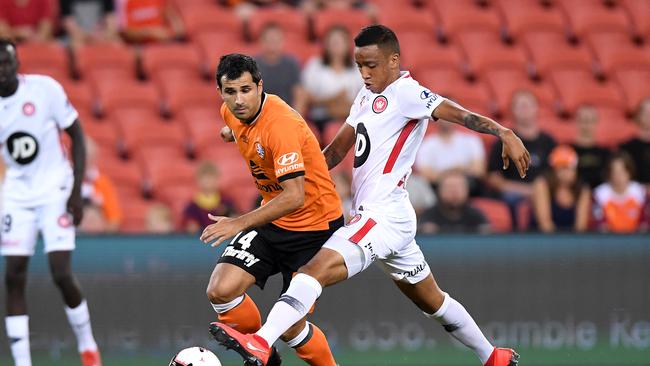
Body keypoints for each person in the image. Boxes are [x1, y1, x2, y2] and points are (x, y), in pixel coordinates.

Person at [209, 25, 529, 366]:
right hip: (385, 216)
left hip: (382, 214)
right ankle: (492, 355)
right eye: (359, 64)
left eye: (371, 65)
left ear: (394, 60)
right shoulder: (365, 97)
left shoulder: (407, 92)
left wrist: (502, 130)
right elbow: (330, 156)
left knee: (310, 273)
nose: (364, 73)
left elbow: (458, 113)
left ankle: (260, 342)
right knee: (432, 302)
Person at [200, 54, 345, 366]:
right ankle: (263, 352)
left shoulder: (280, 126)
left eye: (246, 90)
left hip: (314, 227)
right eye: (230, 92)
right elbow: (234, 125)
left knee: (291, 325)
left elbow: (294, 196)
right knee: (220, 290)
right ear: (220, 92)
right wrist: (231, 132)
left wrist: (238, 223)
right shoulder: (231, 113)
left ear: (259, 86)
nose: (239, 100)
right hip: (275, 220)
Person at [0, 39, 101, 366]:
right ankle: (22, 362)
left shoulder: (44, 90)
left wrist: (75, 189)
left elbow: (77, 134)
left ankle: (88, 345)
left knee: (60, 272)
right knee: (14, 275)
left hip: (55, 188)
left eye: (7, 63)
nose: (2, 71)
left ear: (17, 64)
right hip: (16, 193)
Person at [487, 90, 555, 228]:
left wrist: (540, 192)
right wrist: (531, 191)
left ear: (537, 109)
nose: (525, 110)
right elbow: (494, 179)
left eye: (528, 105)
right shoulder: (503, 141)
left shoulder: (549, 142)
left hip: (546, 192)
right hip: (514, 194)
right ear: (512, 111)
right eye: (520, 106)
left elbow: (557, 176)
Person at [299, 26, 363, 128]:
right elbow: (305, 95)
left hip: (351, 117)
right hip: (320, 118)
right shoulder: (315, 64)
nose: (336, 45)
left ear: (348, 45)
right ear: (326, 45)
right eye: (333, 42)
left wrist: (340, 103)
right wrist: (333, 99)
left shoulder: (358, 67)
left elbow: (365, 98)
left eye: (340, 41)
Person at [530, 145, 591, 233]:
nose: (568, 172)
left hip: (572, 241)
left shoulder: (582, 189)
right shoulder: (542, 185)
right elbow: (545, 223)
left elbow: (580, 226)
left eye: (571, 168)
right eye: (563, 168)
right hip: (543, 239)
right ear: (554, 170)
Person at [415, 118, 485, 192]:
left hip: (470, 188)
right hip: (438, 189)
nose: (446, 120)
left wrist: (449, 173)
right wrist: (454, 172)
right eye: (442, 117)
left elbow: (479, 170)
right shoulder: (427, 144)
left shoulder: (470, 140)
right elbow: (425, 174)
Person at [593, 152, 650, 233]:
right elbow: (601, 226)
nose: (618, 176)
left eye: (622, 171)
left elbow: (645, 224)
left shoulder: (640, 193)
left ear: (629, 172)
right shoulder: (600, 194)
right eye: (614, 172)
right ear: (609, 173)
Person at [418, 170, 489, 234]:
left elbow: (486, 237)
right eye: (449, 187)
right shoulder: (428, 216)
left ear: (467, 190)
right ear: (439, 190)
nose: (454, 192)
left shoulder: (476, 216)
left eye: (459, 187)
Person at [253, 23, 303, 108]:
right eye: (269, 40)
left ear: (282, 41)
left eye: (276, 40)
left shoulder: (291, 64)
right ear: (261, 41)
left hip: (286, 113)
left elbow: (299, 93)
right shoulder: (251, 65)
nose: (272, 44)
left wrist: (295, 116)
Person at [182, 161, 236, 233]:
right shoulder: (193, 205)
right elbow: (191, 227)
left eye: (211, 179)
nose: (208, 182)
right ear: (198, 181)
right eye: (205, 179)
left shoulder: (226, 201)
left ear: (217, 180)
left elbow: (235, 219)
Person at [82, 137, 122, 232]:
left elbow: (114, 220)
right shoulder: (65, 182)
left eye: (89, 157)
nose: (86, 161)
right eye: (83, 155)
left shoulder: (104, 184)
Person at [572, 105, 610, 189]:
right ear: (576, 121)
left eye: (590, 121)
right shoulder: (568, 150)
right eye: (583, 120)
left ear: (596, 122)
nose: (586, 125)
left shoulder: (606, 153)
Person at [115, 0, 185, 43]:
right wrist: (150, 32)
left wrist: (173, 31)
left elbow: (178, 29)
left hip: (162, 46)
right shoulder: (125, 2)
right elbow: (124, 32)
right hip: (138, 49)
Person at [620, 96, 650, 188]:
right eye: (645, 113)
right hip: (634, 195)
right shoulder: (626, 147)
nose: (649, 116)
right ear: (638, 116)